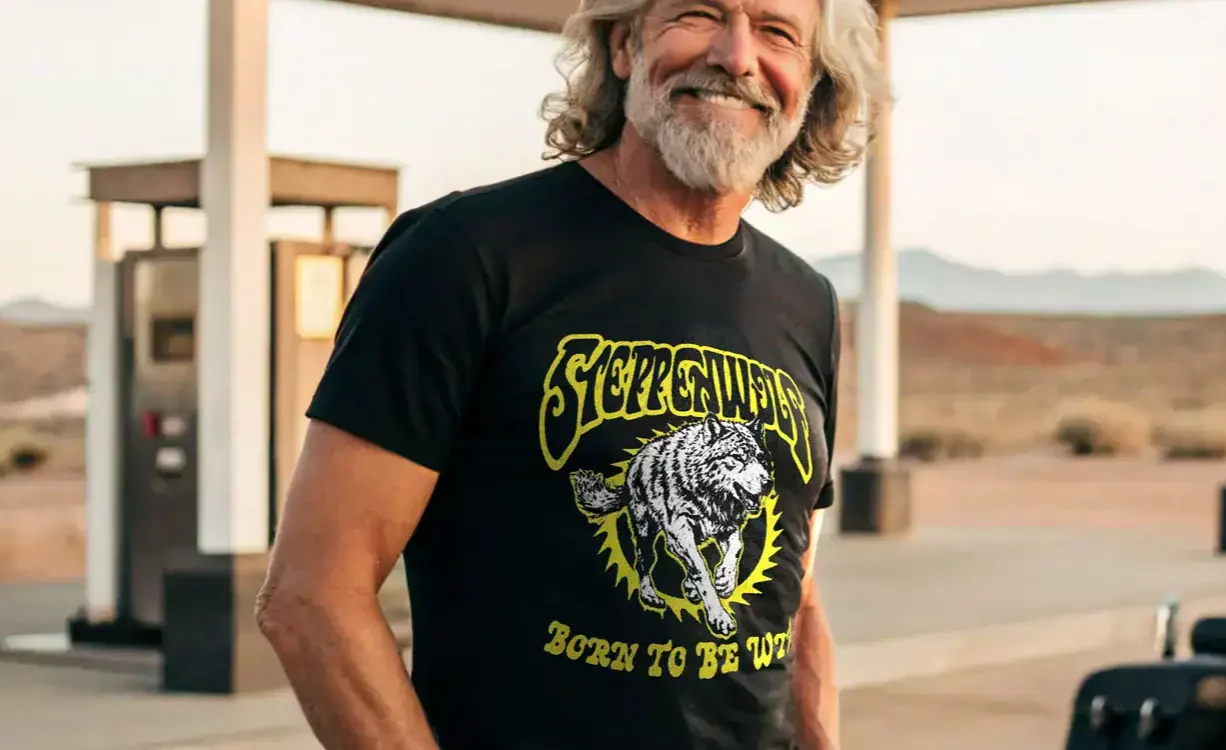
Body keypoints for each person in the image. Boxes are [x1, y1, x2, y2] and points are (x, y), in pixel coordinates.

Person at [252, 0, 889, 746]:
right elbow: (311, 595)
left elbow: (795, 595)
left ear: (812, 82)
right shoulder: (466, 256)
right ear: (623, 45)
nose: (737, 56)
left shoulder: (806, 303)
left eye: (777, 32)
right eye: (698, 14)